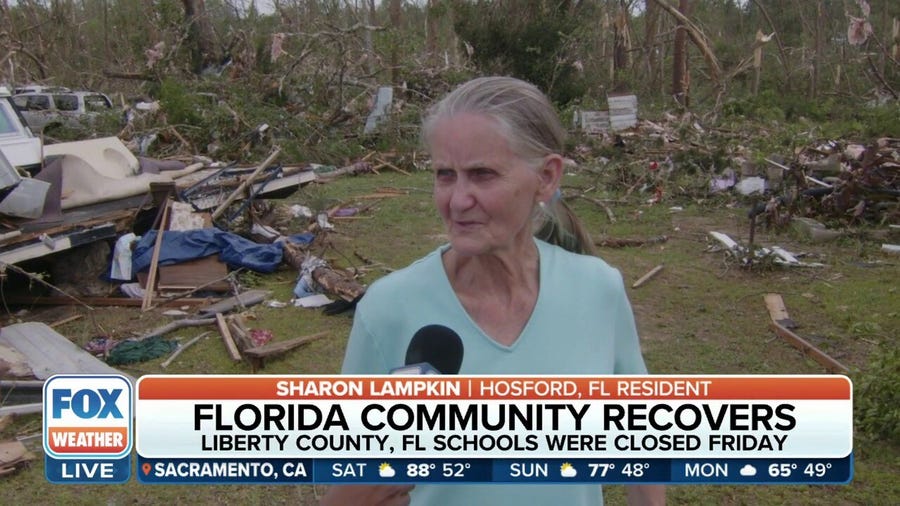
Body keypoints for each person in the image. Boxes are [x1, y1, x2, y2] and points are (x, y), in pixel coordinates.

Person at [321, 76, 665, 506]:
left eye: (482, 175)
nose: (458, 200)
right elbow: (346, 483)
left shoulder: (599, 290)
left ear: (546, 177)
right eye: (445, 175)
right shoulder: (388, 309)